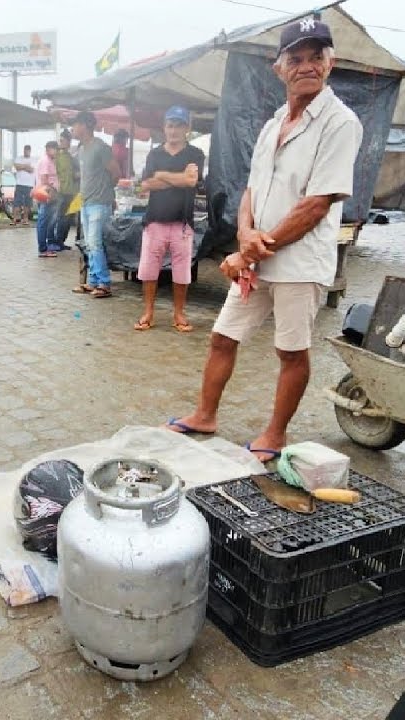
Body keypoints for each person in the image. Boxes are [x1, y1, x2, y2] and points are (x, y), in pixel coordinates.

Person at [166, 18, 362, 465]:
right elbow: (251, 191)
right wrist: (245, 235)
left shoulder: (340, 123)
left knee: (290, 351)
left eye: (317, 57)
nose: (307, 66)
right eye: (297, 58)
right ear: (280, 69)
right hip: (257, 259)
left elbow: (318, 203)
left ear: (331, 63)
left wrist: (249, 249)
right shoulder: (273, 123)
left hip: (300, 263)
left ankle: (275, 433)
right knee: (222, 337)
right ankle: (204, 415)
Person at [134, 106, 206, 332]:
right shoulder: (154, 154)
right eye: (170, 125)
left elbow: (192, 181)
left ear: (187, 128)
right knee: (148, 270)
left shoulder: (195, 154)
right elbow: (145, 185)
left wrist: (162, 175)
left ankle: (179, 314)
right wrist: (179, 177)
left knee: (182, 271)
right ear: (164, 128)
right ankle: (148, 312)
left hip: (182, 223)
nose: (173, 130)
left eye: (179, 125)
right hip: (155, 220)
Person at [70, 111, 120, 298]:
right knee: (90, 244)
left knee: (95, 243)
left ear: (84, 125)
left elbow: (116, 173)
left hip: (99, 202)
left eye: (74, 124)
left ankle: (104, 283)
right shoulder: (81, 149)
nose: (72, 129)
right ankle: (92, 281)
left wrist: (106, 192)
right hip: (86, 202)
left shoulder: (101, 147)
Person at [51, 129, 78, 252]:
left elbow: (74, 174)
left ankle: (61, 241)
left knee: (68, 218)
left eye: (63, 140)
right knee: (60, 218)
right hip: (61, 191)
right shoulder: (56, 156)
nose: (61, 143)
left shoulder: (71, 157)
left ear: (69, 142)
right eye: (60, 140)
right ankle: (56, 241)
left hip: (71, 191)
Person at [35, 141, 60, 259]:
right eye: (55, 149)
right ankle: (43, 248)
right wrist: (51, 192)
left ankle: (47, 245)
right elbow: (44, 179)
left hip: (48, 194)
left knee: (47, 221)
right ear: (49, 149)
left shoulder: (50, 161)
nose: (57, 152)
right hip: (46, 195)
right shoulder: (45, 161)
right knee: (43, 221)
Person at [11, 144, 36, 226]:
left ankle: (25, 219)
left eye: (28, 150)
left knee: (27, 203)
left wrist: (22, 167)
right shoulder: (19, 158)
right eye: (25, 150)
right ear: (24, 150)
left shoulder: (33, 160)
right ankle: (15, 218)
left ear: (30, 151)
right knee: (17, 202)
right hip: (19, 184)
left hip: (29, 185)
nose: (26, 151)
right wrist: (26, 166)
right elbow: (17, 167)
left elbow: (31, 169)